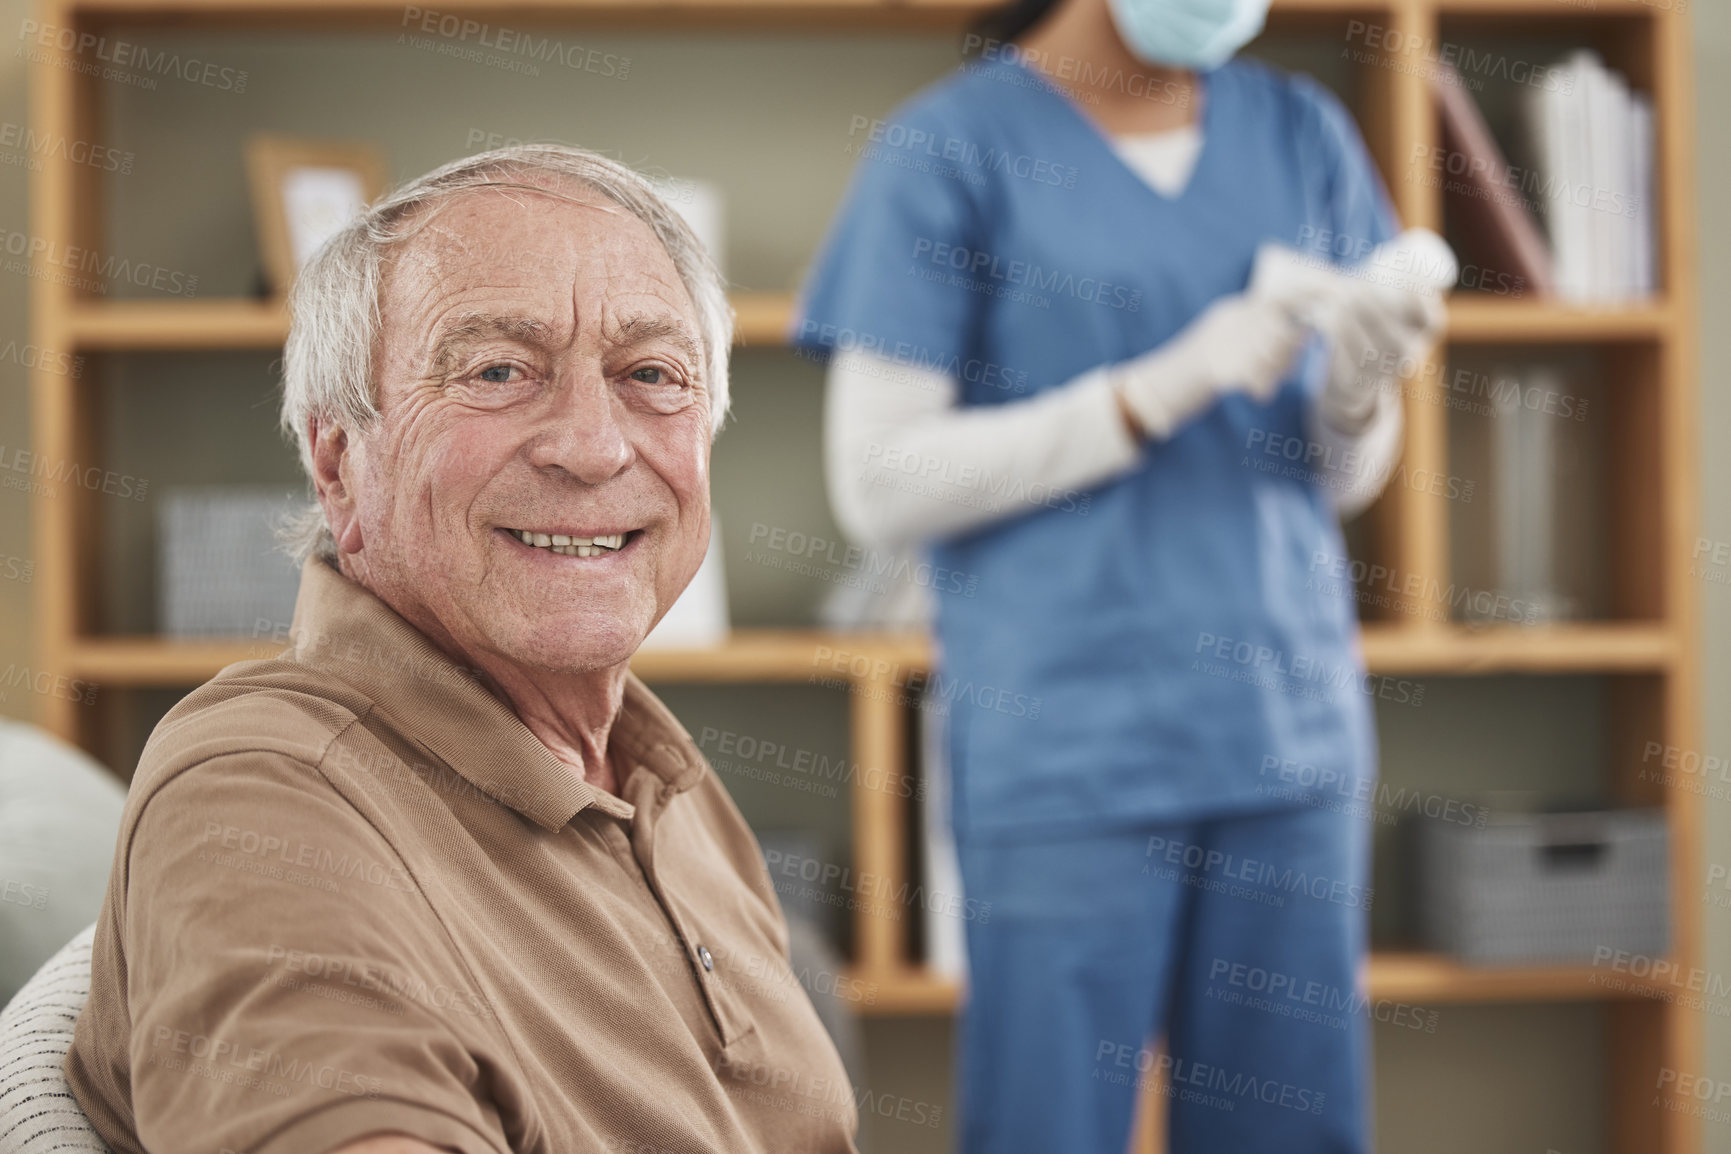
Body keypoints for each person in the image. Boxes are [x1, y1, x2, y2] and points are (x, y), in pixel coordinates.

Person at [66, 145, 858, 1154]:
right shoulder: (269, 793)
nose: (595, 444)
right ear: (340, 463)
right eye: (496, 370)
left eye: (651, 374)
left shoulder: (657, 772)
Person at [792, 0, 1450, 1150]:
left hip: (1284, 733)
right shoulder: (948, 150)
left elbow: (1338, 477)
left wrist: (1357, 388)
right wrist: (1154, 389)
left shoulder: (1302, 130)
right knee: (1050, 1122)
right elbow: (880, 481)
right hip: (1066, 742)